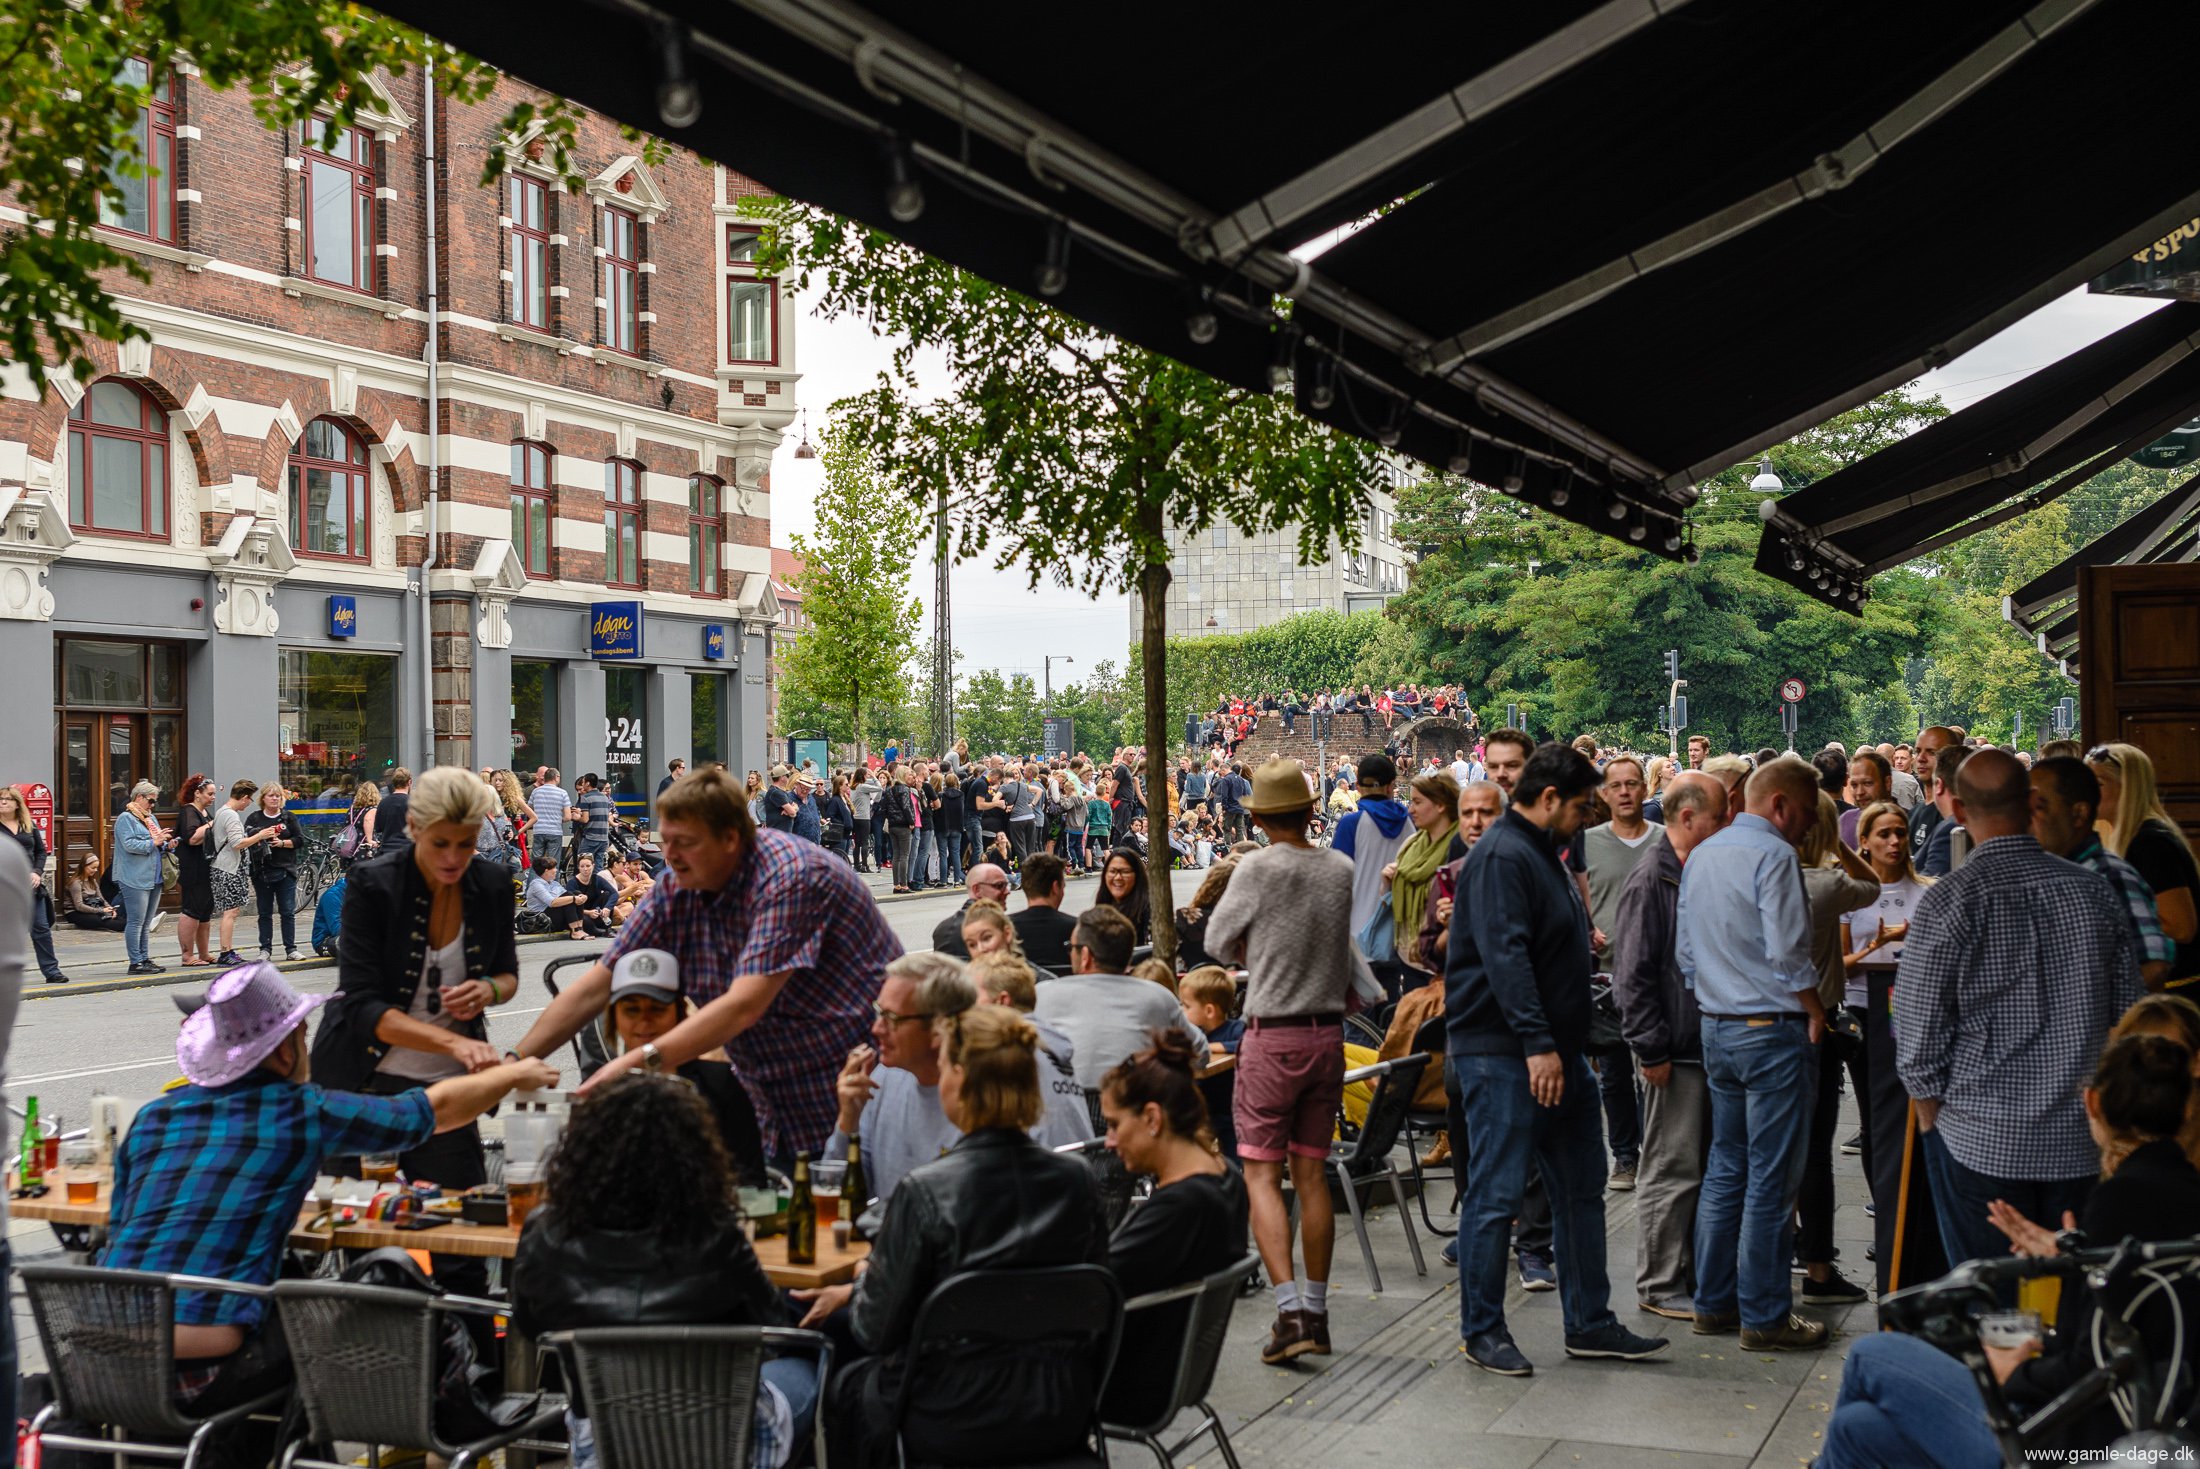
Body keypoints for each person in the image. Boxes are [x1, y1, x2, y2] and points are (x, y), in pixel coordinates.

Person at [96, 963, 554, 1450]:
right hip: (201, 1371)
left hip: (96, 1356)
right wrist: (513, 1072)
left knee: (287, 1301)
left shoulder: (154, 1117)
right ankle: (452, 1430)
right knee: (361, 1312)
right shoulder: (297, 1110)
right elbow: (430, 1111)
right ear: (288, 1045)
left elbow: (121, 1225)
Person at [1819, 1034, 2200, 1469]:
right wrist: (2070, 1253)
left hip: (2075, 1444)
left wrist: (2012, 1372)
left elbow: (2093, 1362)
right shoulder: (2181, 1190)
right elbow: (2140, 1324)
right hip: (2150, 1429)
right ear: (2185, 1109)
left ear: (2092, 1104)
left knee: (1873, 1354)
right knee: (1857, 1428)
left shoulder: (2120, 1199)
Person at [516, 766, 900, 1164]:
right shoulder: (677, 886)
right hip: (775, 1099)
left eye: (685, 843)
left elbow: (745, 1005)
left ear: (732, 838)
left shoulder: (794, 877)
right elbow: (597, 985)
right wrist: (514, 1062)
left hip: (860, 1099)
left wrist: (632, 1065)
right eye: (666, 842)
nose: (670, 856)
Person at [794, 1006, 1109, 1469]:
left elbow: (874, 1329)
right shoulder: (1077, 1180)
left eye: (942, 1069)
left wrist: (864, 1278)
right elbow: (1091, 1292)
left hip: (946, 1410)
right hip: (1060, 1403)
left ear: (959, 1077)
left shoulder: (925, 1190)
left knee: (841, 1371)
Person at [1449, 742, 1668, 1376]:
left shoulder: (1540, 851)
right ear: (1548, 800)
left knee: (1580, 1188)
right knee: (1495, 1196)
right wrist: (1539, 1044)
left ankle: (1590, 1322)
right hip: (1506, 1053)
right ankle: (1482, 1329)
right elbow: (1506, 958)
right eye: (1579, 806)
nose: (1586, 816)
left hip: (1554, 1053)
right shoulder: (1502, 856)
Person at [1896, 748, 2144, 1271]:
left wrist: (1930, 1122)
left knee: (1993, 1302)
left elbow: (1917, 1032)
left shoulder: (1948, 901)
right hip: (2078, 1139)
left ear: (1959, 810)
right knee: (2074, 1300)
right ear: (2031, 803)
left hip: (1977, 1137)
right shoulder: (2092, 893)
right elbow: (2130, 1018)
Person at [512, 1070, 811, 1469]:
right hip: (724, 1442)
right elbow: (772, 1330)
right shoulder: (714, 1234)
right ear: (693, 1155)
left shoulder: (546, 1233)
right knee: (808, 1370)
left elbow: (531, 1326)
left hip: (605, 1444)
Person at [309, 767, 528, 1299]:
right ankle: (372, 1368)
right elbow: (362, 1005)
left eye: (467, 843)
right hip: (360, 1082)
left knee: (463, 1241)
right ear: (412, 827)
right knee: (362, 1244)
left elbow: (507, 975)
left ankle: (469, 1366)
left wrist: (488, 993)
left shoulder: (492, 884)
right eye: (440, 844)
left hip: (446, 1092)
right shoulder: (373, 884)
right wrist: (456, 1041)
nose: (454, 858)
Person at [1201, 757, 1376, 1364]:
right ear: (1308, 812)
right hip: (1326, 1034)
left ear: (1263, 818)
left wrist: (1259, 943)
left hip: (1271, 1035)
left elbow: (1216, 941)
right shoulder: (1338, 867)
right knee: (1311, 1171)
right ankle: (1319, 1310)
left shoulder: (1255, 868)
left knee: (1259, 1174)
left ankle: (1288, 1314)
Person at [1674, 755, 1828, 1351]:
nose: (1809, 825)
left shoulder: (1703, 852)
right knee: (1770, 1176)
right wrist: (1814, 1009)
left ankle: (1713, 1304)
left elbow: (1686, 952)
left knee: (1726, 1167)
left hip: (1718, 1027)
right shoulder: (1774, 855)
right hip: (1772, 1029)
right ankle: (1764, 1314)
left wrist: (1717, 992)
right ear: (1782, 805)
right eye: (1807, 813)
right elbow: (1790, 952)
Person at [828, 951, 1089, 1202]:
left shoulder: (995, 1087)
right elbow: (842, 1190)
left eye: (891, 1018)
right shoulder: (882, 1078)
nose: (876, 1029)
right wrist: (847, 1121)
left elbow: (1047, 1196)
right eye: (878, 1012)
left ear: (939, 1027)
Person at [1611, 770, 1729, 1320]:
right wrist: (1651, 1049)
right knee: (1670, 1169)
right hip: (1672, 1052)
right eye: (1717, 815)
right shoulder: (1652, 879)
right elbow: (1631, 977)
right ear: (1687, 818)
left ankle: (1679, 1274)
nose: (1725, 824)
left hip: (1692, 1047)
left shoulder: (1684, 871)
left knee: (1690, 1168)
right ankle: (1658, 1285)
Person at [1098, 1031, 1250, 1426]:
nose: (1109, 1142)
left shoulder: (1182, 1207)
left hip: (1123, 1384)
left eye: (1114, 1125)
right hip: (1171, 1373)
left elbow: (1095, 1290)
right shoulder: (1225, 1177)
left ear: (1152, 1118)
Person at [1792, 791, 1882, 1309]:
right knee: (1815, 1153)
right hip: (1816, 1024)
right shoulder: (1826, 883)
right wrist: (1841, 845)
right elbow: (1870, 886)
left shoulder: (1769, 875)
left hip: (1754, 1023)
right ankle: (1820, 1267)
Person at [577, 947, 768, 1184]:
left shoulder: (721, 1086)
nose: (644, 1021)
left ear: (680, 1013)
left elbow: (749, 1182)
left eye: (657, 1009)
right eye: (631, 1009)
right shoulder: (600, 1092)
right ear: (614, 1017)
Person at [1581, 755, 1665, 1192]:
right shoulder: (1588, 843)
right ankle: (1625, 1156)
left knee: (1653, 1072)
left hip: (1657, 977)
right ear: (1606, 794)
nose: (1627, 791)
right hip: (1607, 976)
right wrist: (1587, 927)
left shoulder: (1666, 841)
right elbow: (1577, 898)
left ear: (1644, 789)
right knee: (1613, 1075)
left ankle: (1655, 1152)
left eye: (1634, 784)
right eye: (1618, 785)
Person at [2029, 756, 2171, 990]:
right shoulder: (2046, 871)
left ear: (2079, 813)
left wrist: (2101, 1013)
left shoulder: (2109, 875)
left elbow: (2153, 966)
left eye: (2040, 807)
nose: (2028, 816)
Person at [1034, 906, 1205, 1089]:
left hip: (1068, 1107)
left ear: (1085, 956)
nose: (1070, 954)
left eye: (1071, 948)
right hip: (1135, 1105)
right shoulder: (1157, 997)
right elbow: (1200, 1053)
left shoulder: (1042, 995)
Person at [2088, 742, 2200, 992]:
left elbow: (2181, 928)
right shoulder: (2133, 837)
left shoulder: (2150, 843)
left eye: (2098, 784)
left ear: (2128, 787)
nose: (2088, 792)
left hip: (2174, 991)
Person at [1332, 753, 1414, 993]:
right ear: (1392, 787)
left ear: (1358, 787)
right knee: (1390, 1015)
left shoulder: (1351, 824)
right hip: (1398, 935)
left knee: (1359, 1024)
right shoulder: (1411, 824)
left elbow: (1338, 881)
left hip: (1357, 936)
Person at [1383, 771, 1459, 985]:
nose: (1410, 809)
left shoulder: (1460, 848)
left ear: (1441, 805)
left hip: (1441, 963)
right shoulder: (1412, 845)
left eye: (1417, 802)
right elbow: (1392, 901)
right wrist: (1387, 882)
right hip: (1409, 958)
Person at [0, 785, 67, 983]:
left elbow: (40, 851)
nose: (3, 802)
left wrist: (37, 872)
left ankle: (52, 971)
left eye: (7, 799)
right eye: (0, 799)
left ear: (17, 804)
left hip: (31, 887)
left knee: (41, 929)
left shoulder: (28, 825)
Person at [112, 780, 171, 975]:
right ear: (139, 797)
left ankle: (145, 958)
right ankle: (135, 962)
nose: (153, 805)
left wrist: (167, 844)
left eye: (155, 802)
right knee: (136, 921)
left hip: (153, 876)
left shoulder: (150, 818)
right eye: (151, 801)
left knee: (147, 922)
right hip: (133, 876)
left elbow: (157, 842)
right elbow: (129, 845)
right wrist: (154, 842)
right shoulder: (125, 819)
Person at [243, 782, 304, 962]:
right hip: (261, 870)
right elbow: (246, 839)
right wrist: (261, 836)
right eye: (271, 795)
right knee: (264, 912)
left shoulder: (288, 818)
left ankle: (291, 949)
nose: (275, 798)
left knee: (287, 911)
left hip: (285, 869)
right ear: (263, 799)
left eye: (278, 795)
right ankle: (265, 949)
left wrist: (282, 843)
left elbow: (300, 840)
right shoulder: (254, 818)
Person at [173, 773, 217, 967]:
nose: (213, 797)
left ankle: (204, 953)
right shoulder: (189, 811)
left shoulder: (206, 813)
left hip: (206, 867)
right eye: (210, 794)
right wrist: (214, 824)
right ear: (197, 794)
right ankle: (187, 956)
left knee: (204, 911)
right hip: (193, 868)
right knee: (191, 910)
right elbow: (192, 838)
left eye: (214, 794)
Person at [1009, 852, 1077, 972]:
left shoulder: (1005, 928)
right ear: (1056, 887)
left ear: (1025, 886)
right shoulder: (1076, 929)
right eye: (1063, 886)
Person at [929, 862, 1013, 958]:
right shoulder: (952, 930)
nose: (1007, 891)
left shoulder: (947, 927)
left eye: (1007, 885)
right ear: (977, 890)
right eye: (999, 885)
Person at [1089, 846, 1153, 944]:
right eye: (1112, 871)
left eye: (1125, 872)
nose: (1118, 877)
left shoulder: (1149, 911)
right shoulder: (1100, 909)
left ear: (1137, 875)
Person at [561, 851, 622, 937]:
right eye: (582, 866)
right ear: (578, 867)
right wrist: (588, 912)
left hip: (597, 911)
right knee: (586, 922)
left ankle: (607, 928)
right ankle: (600, 932)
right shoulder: (572, 883)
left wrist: (607, 908)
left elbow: (614, 894)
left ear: (593, 866)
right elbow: (569, 906)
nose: (585, 869)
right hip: (581, 914)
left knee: (607, 894)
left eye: (588, 866)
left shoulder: (596, 878)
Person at [60, 853, 126, 933]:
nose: (95, 870)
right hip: (75, 913)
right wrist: (101, 911)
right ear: (84, 866)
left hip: (93, 908)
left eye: (96, 868)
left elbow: (102, 899)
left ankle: (131, 926)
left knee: (117, 917)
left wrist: (111, 909)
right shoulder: (76, 883)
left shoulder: (93, 881)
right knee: (105, 921)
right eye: (93, 868)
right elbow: (79, 906)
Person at [572, 772, 617, 868]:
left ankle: (585, 883)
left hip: (590, 838)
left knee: (583, 864)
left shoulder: (586, 798)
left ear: (587, 783)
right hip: (604, 838)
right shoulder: (605, 798)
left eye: (583, 782)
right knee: (598, 867)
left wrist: (576, 817)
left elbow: (585, 819)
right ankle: (596, 883)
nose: (582, 784)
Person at [529, 766, 570, 867]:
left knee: (536, 863)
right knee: (553, 863)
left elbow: (529, 809)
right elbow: (568, 816)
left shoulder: (536, 791)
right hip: (555, 831)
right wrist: (558, 819)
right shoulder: (562, 793)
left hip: (539, 830)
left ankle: (534, 881)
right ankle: (553, 882)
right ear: (556, 777)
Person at [377, 767, 412, 849]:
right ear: (409, 782)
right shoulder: (413, 803)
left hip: (387, 850)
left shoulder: (383, 803)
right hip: (406, 851)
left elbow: (378, 828)